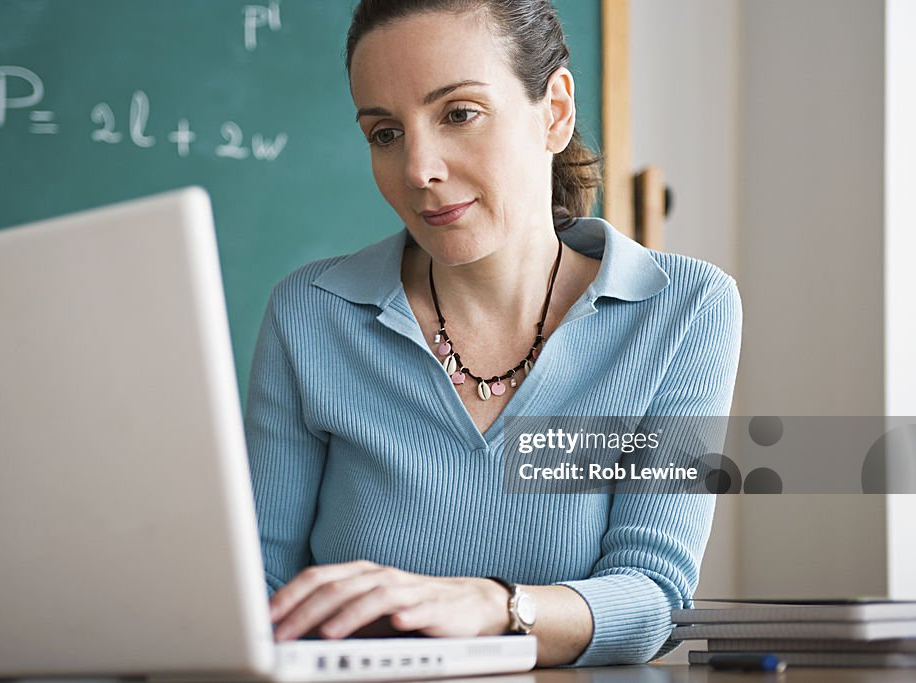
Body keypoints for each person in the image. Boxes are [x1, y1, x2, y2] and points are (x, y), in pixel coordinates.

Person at [245, 0, 742, 667]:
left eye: (459, 113)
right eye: (385, 133)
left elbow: (654, 598)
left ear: (555, 112)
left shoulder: (682, 310)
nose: (419, 168)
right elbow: (257, 595)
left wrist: (498, 605)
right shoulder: (309, 314)